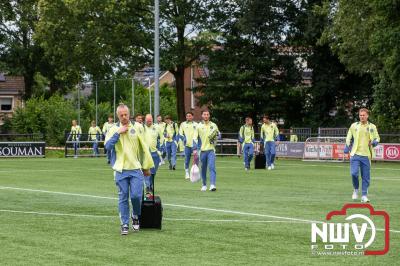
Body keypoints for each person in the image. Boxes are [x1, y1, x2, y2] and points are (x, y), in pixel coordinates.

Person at [105, 104, 154, 235]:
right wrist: (118, 133)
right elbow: (107, 146)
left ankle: (135, 215)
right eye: (121, 115)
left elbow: (144, 148)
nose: (124, 117)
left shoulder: (138, 127)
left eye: (126, 114)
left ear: (129, 113)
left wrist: (146, 166)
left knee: (136, 196)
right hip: (120, 169)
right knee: (123, 197)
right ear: (118, 116)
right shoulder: (113, 128)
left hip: (135, 168)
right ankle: (125, 223)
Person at [344, 108, 380, 203]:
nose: (362, 117)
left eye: (364, 115)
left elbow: (377, 138)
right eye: (360, 115)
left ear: (367, 116)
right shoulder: (354, 126)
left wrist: (374, 142)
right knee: (354, 174)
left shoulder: (372, 127)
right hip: (355, 154)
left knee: (366, 176)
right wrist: (347, 146)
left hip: (366, 155)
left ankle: (364, 195)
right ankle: (356, 189)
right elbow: (348, 136)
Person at [197, 110, 220, 191]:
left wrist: (215, 137)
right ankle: (204, 185)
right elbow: (195, 138)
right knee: (203, 169)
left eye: (207, 114)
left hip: (211, 150)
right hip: (202, 151)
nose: (206, 116)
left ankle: (212, 185)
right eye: (204, 114)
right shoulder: (198, 126)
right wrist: (195, 149)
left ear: (209, 116)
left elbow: (218, 135)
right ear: (202, 116)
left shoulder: (214, 125)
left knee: (212, 167)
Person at [143, 114, 163, 194]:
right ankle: (147, 186)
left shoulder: (157, 127)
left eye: (150, 121)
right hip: (145, 153)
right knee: (146, 170)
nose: (149, 122)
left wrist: (160, 148)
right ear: (145, 120)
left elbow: (162, 138)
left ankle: (150, 185)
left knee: (153, 172)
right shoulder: (142, 128)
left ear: (152, 120)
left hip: (155, 153)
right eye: (148, 121)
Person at [179, 112, 198, 179]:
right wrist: (184, 139)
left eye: (190, 116)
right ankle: (187, 172)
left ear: (192, 117)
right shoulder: (183, 124)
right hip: (187, 146)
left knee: (196, 159)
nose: (188, 117)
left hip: (195, 145)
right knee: (187, 160)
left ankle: (194, 173)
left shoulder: (196, 124)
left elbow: (198, 134)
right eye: (187, 116)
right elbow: (180, 134)